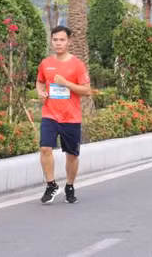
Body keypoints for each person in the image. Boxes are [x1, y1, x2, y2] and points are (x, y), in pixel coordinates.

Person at [36, 26, 95, 205]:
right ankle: (51, 185)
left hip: (71, 117)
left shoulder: (77, 64)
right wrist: (40, 92)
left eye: (62, 40)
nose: (58, 43)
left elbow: (87, 90)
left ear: (69, 41)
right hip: (50, 114)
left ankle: (69, 186)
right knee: (45, 148)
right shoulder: (45, 63)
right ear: (51, 41)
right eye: (55, 40)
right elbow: (39, 82)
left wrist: (66, 83)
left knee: (72, 155)